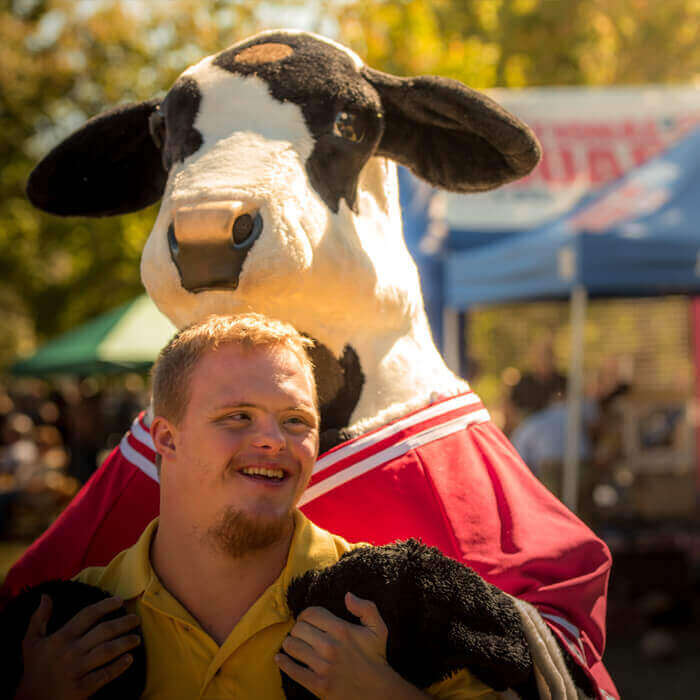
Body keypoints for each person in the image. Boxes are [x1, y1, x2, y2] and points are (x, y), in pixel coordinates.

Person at [15, 314, 495, 700]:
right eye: (237, 416)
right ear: (166, 438)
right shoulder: (54, 627)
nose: (272, 440)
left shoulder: (405, 602)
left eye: (295, 420)